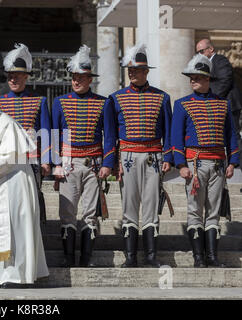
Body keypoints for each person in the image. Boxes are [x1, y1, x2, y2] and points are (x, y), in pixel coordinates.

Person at [0, 92, 49, 287]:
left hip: (15, 184)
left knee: (14, 227)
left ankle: (16, 275)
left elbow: (9, 157)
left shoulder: (8, 124)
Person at [105, 43, 173, 268]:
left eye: (137, 70)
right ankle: (130, 256)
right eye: (130, 70)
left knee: (152, 207)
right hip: (127, 156)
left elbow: (168, 131)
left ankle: (151, 256)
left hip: (153, 156)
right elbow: (111, 135)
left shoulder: (162, 98)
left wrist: (169, 157)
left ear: (146, 72)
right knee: (130, 206)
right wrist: (113, 162)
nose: (132, 73)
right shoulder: (115, 99)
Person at [171, 54, 239, 268]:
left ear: (208, 79)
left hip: (218, 164)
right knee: (194, 210)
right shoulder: (182, 105)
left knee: (213, 212)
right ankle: (198, 257)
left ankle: (212, 256)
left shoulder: (223, 104)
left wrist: (232, 162)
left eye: (197, 77)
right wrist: (181, 164)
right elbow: (175, 136)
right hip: (194, 164)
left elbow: (231, 135)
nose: (193, 80)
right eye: (191, 78)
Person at [51, 45, 115, 267]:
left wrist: (108, 163)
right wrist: (55, 164)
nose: (77, 81)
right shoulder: (59, 103)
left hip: (94, 165)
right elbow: (54, 135)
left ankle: (87, 258)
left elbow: (109, 136)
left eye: (82, 77)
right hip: (69, 164)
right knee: (67, 214)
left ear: (90, 79)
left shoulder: (103, 102)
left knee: (90, 214)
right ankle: (69, 259)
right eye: (74, 77)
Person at [0, 43, 51, 224]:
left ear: (26, 77)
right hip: (7, 160)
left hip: (31, 160)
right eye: (10, 76)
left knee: (31, 202)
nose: (13, 80)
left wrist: (46, 160)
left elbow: (45, 132)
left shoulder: (39, 100)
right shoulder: (0, 102)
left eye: (17, 76)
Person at [196, 39, 242, 137]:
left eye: (201, 51)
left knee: (233, 135)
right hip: (217, 104)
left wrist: (212, 98)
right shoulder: (205, 64)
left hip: (228, 104)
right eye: (197, 53)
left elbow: (225, 80)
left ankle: (237, 153)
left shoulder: (220, 60)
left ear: (211, 49)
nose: (199, 55)